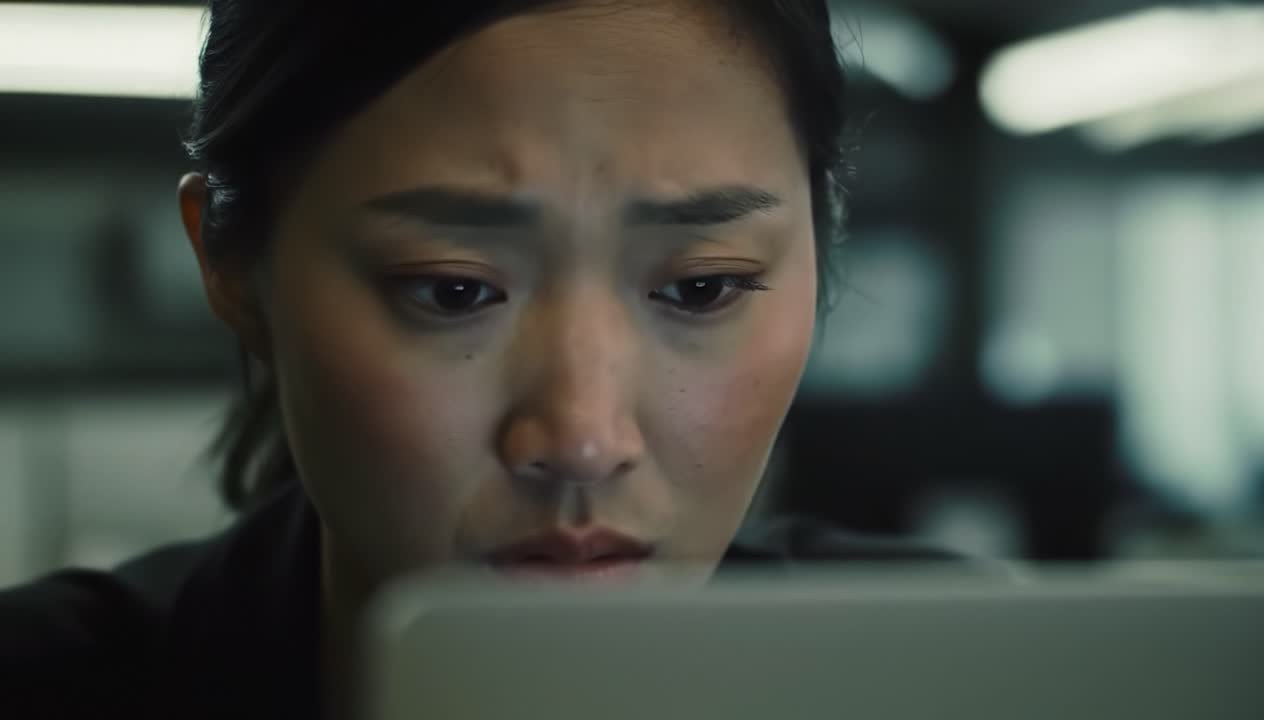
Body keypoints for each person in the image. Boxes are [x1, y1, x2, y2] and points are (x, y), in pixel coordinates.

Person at [0, 1, 964, 717]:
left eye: (701, 288)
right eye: (454, 291)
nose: (584, 441)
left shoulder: (977, 673)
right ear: (231, 265)